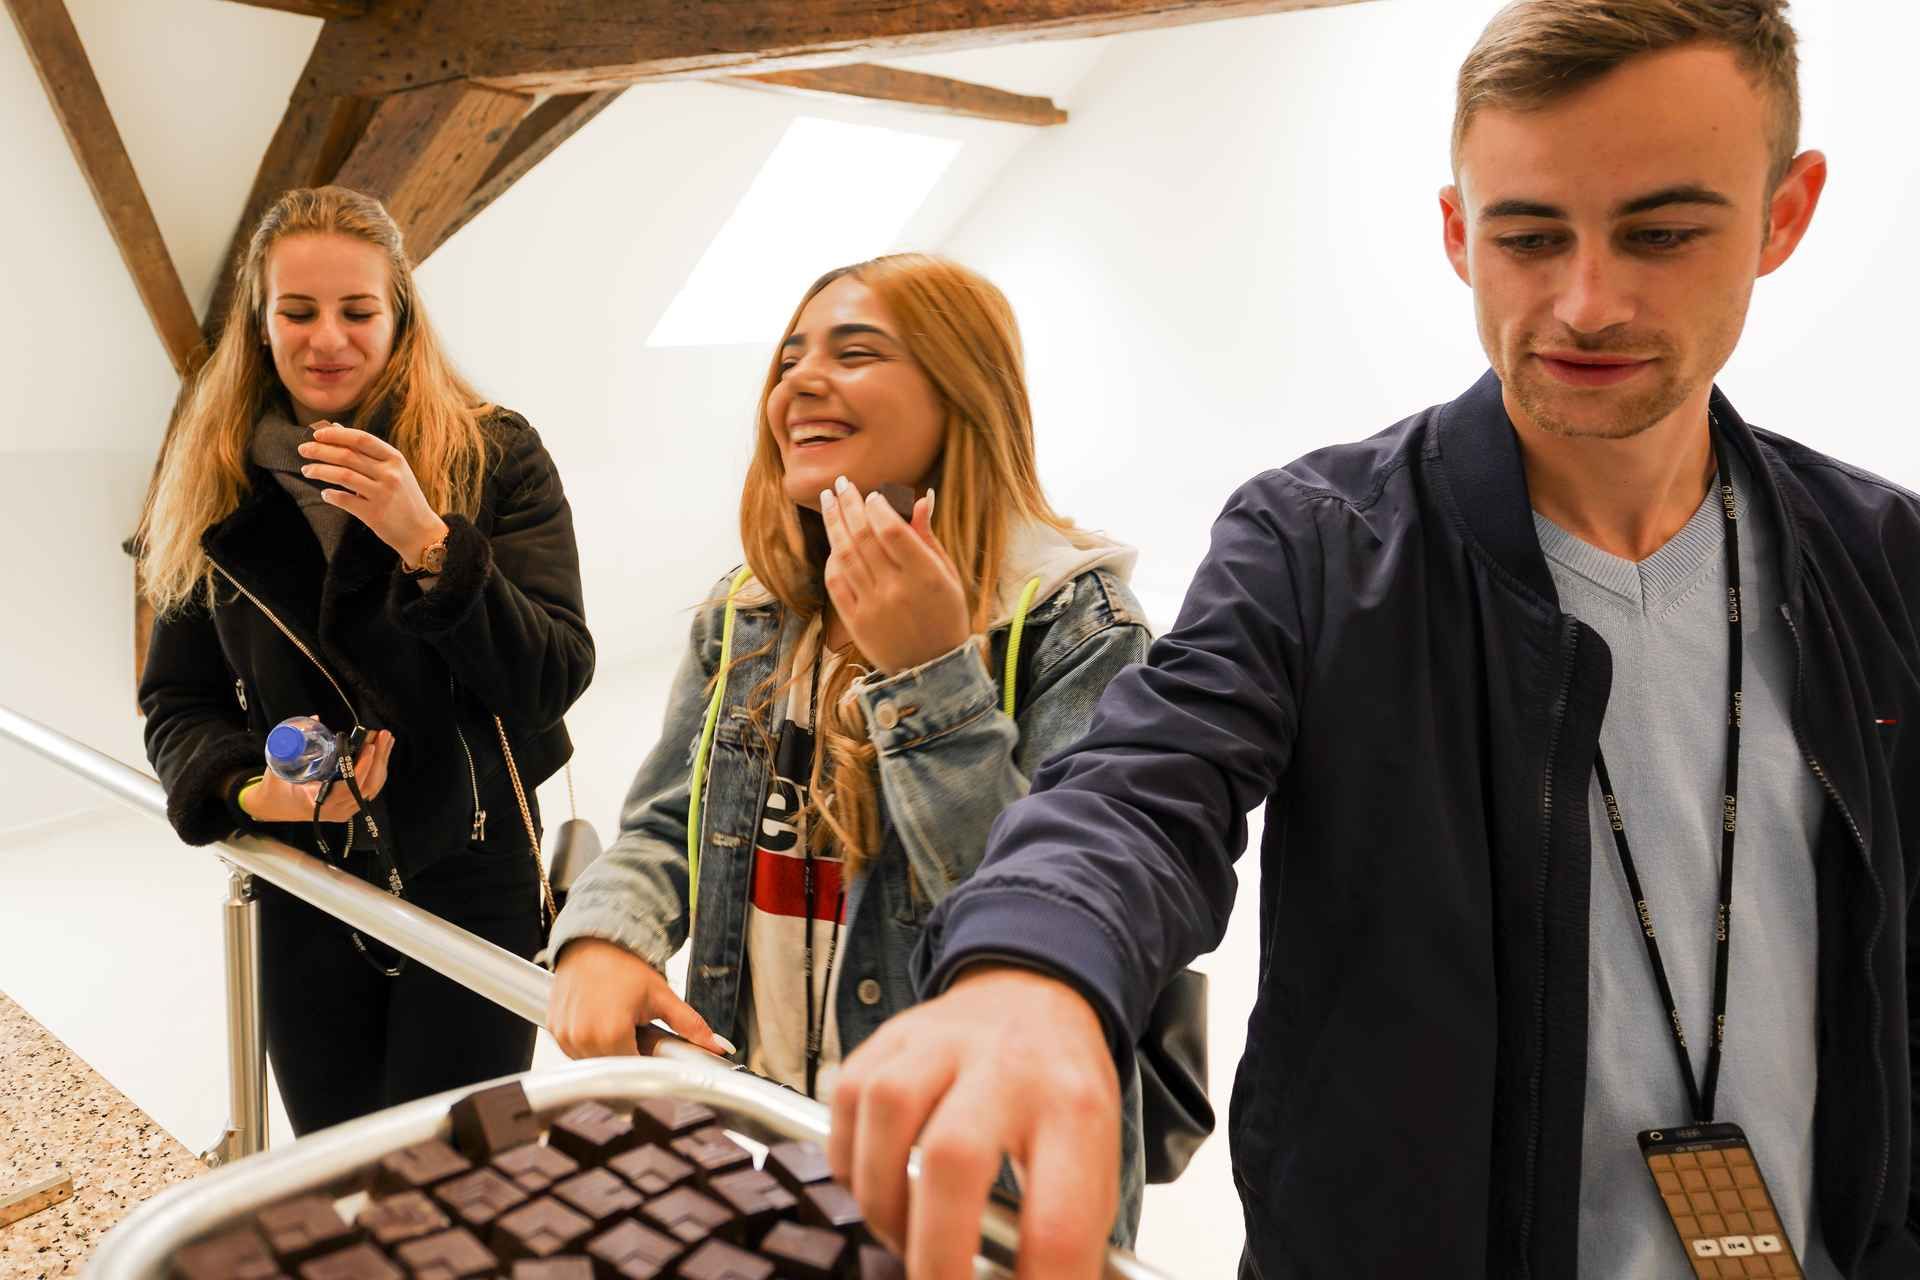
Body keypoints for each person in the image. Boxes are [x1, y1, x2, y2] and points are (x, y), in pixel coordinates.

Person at [825, 3, 1920, 1277]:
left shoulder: (1881, 561)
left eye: (1663, 232)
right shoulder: (1315, 545)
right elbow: (1142, 783)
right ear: (1459, 233)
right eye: (1526, 236)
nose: (1586, 299)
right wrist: (1032, 966)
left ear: (1785, 214)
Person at [544, 253, 1149, 1243]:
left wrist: (929, 676)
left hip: (966, 1182)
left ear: (965, 390)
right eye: (788, 358)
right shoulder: (747, 612)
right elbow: (666, 824)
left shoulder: (1079, 624)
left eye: (855, 351)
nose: (800, 380)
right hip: (756, 1136)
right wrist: (608, 928)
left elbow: (1051, 913)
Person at [139, 185, 594, 1134]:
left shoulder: (494, 453)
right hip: (305, 879)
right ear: (260, 325)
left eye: (358, 311)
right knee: (339, 1172)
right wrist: (258, 795)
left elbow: (552, 674)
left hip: (474, 874)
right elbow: (178, 702)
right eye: (297, 312)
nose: (328, 340)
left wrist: (429, 541)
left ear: (401, 319)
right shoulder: (207, 474)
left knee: (466, 1185)